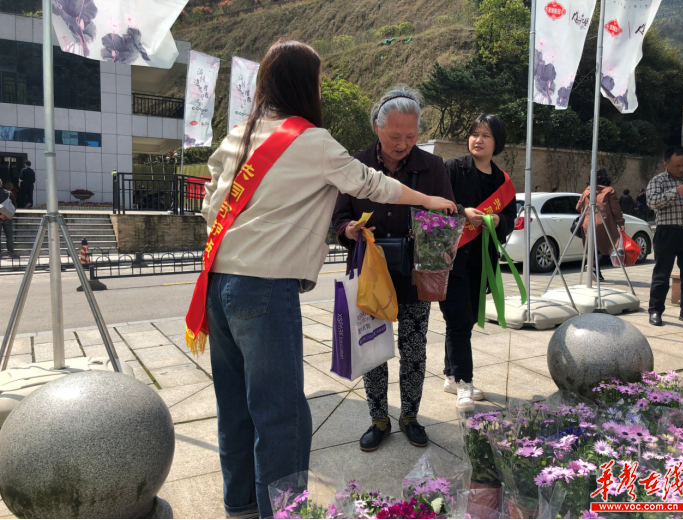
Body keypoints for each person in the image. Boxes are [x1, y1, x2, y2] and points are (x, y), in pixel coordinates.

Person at [196, 40, 457, 519]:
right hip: (265, 288)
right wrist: (432, 201)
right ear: (302, 84)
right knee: (283, 416)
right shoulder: (310, 140)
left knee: (235, 407)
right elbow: (370, 184)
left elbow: (210, 201)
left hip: (219, 283)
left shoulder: (242, 132)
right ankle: (282, 512)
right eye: (316, 80)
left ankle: (241, 508)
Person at [331, 87, 455, 452]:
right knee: (373, 349)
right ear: (376, 128)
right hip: (371, 276)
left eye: (411, 136)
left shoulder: (432, 168)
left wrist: (436, 228)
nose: (403, 144)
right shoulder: (356, 166)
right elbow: (339, 216)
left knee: (414, 351)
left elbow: (446, 215)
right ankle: (379, 419)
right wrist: (348, 230)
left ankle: (411, 417)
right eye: (394, 136)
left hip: (414, 277)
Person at [441, 114, 517, 411]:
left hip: (482, 262)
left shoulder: (503, 181)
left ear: (497, 142)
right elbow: (436, 203)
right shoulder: (454, 169)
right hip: (452, 258)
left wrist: (498, 219)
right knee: (459, 320)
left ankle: (450, 375)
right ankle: (464, 383)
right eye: (474, 133)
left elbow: (510, 218)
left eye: (485, 135)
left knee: (466, 319)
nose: (478, 139)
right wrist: (462, 211)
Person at [646, 146, 683, 326]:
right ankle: (655, 311)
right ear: (666, 164)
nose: (681, 169)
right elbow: (651, 202)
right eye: (677, 165)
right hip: (667, 232)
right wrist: (675, 192)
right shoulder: (659, 181)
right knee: (661, 274)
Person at [576, 168, 625, 283]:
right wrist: (620, 223)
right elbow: (616, 210)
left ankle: (596, 272)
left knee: (594, 248)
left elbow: (578, 207)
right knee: (612, 248)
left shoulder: (587, 191)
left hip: (587, 222)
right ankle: (593, 266)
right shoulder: (609, 190)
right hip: (604, 222)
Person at [0, 179, 17, 259]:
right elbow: (14, 205)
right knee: (9, 236)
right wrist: (8, 215)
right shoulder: (9, 193)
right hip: (8, 218)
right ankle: (11, 253)